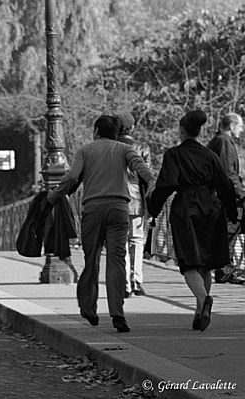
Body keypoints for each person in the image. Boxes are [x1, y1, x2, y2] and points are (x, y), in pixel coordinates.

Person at [47, 115, 155, 333]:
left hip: (93, 210)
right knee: (116, 262)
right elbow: (141, 167)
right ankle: (118, 314)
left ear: (96, 130)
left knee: (92, 259)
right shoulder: (123, 149)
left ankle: (89, 306)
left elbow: (72, 177)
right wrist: (152, 182)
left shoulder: (85, 151)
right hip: (119, 210)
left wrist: (54, 195)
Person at [148, 110, 237, 332]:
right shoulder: (210, 155)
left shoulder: (174, 155)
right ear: (199, 132)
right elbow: (225, 185)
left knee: (188, 262)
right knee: (205, 262)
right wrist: (232, 213)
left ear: (181, 131)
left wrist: (154, 209)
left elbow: (166, 185)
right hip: (211, 207)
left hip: (186, 208)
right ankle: (199, 314)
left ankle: (204, 299)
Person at [116, 111, 151, 297]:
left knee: (120, 241)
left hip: (115, 198)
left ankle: (125, 284)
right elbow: (147, 179)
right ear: (132, 127)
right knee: (137, 240)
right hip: (136, 199)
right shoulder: (142, 147)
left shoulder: (110, 147)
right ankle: (136, 280)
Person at [207, 113, 244, 284]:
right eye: (240, 126)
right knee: (229, 230)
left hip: (220, 196)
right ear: (232, 126)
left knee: (227, 231)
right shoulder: (224, 142)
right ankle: (224, 269)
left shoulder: (220, 140)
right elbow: (228, 172)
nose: (242, 129)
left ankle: (224, 269)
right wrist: (240, 193)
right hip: (224, 197)